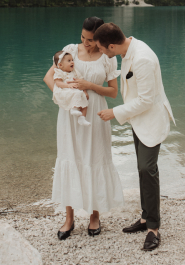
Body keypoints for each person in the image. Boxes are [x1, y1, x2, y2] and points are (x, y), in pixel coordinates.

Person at [94, 22, 175, 252]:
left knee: (147, 169)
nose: (101, 52)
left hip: (151, 120)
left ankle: (153, 228)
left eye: (101, 48)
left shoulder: (142, 58)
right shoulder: (128, 49)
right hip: (138, 120)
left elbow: (147, 100)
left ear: (111, 45)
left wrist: (114, 112)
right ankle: (145, 217)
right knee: (142, 169)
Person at [43, 16, 124, 240]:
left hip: (96, 113)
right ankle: (69, 219)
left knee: (94, 158)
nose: (86, 43)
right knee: (70, 157)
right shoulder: (69, 51)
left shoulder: (107, 57)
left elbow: (114, 92)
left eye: (90, 40)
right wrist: (64, 96)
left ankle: (94, 215)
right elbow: (49, 77)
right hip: (70, 113)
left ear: (100, 38)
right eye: (83, 38)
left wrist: (89, 86)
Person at [52, 50, 90, 127]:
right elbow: (58, 83)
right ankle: (74, 109)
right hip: (64, 90)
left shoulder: (75, 71)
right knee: (76, 93)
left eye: (72, 60)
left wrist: (85, 91)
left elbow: (81, 81)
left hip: (76, 91)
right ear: (60, 65)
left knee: (85, 102)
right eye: (69, 61)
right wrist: (68, 86)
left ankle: (82, 118)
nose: (72, 62)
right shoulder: (59, 72)